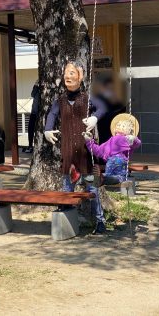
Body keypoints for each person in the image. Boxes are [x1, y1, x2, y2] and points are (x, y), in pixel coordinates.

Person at [44, 62, 106, 233]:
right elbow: (52, 114)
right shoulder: (60, 100)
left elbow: (101, 108)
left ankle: (100, 221)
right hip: (69, 154)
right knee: (67, 188)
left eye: (72, 73)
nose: (68, 76)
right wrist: (47, 129)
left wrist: (95, 118)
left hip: (86, 154)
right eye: (65, 73)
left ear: (81, 77)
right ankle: (66, 220)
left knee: (92, 188)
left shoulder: (87, 98)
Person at [94, 73, 126, 145]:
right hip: (102, 125)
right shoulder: (99, 98)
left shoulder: (116, 98)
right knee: (102, 144)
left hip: (112, 125)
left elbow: (121, 110)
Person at [23, 82, 39, 154]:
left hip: (40, 113)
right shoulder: (37, 88)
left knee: (38, 130)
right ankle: (30, 146)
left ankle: (35, 146)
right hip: (34, 112)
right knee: (30, 129)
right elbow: (32, 94)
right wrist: (36, 84)